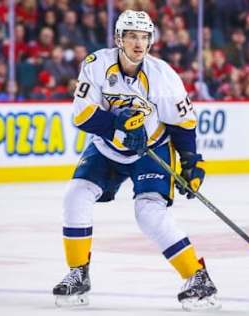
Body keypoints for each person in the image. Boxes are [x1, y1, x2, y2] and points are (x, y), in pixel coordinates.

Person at [52, 10, 220, 311]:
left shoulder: (164, 76)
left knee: (148, 213)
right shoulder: (96, 65)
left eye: (144, 37)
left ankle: (197, 276)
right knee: (75, 195)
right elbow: (81, 115)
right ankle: (78, 272)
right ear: (119, 38)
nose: (138, 43)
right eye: (131, 36)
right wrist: (117, 124)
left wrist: (192, 161)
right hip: (107, 149)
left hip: (151, 149)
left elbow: (183, 124)